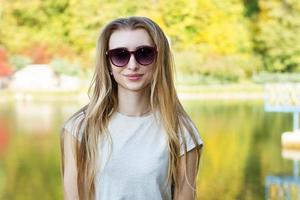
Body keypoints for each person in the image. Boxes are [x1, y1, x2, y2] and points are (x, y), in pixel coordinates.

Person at [60, 16, 203, 200]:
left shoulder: (181, 131)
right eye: (120, 55)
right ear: (107, 62)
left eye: (144, 53)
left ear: (159, 59)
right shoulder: (79, 129)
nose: (132, 65)